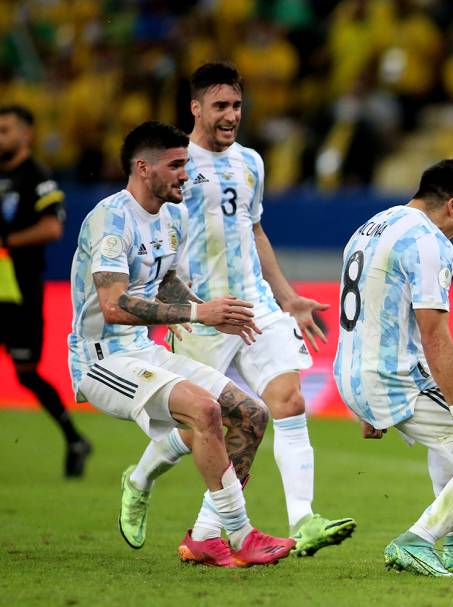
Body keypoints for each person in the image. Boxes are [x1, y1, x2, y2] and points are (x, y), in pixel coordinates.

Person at [120, 62, 355, 558]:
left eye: (237, 106)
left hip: (255, 304)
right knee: (199, 427)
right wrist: (184, 305)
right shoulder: (174, 165)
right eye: (221, 106)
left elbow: (255, 230)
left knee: (287, 402)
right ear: (196, 108)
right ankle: (140, 479)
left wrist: (287, 298)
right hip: (202, 313)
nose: (231, 116)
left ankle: (302, 520)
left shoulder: (251, 162)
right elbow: (156, 240)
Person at [69, 120, 294, 567]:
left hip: (143, 350)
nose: (186, 175)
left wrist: (212, 312)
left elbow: (164, 280)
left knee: (252, 414)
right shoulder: (110, 221)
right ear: (142, 168)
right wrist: (198, 314)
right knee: (205, 410)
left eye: (187, 164)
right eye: (175, 165)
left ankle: (204, 533)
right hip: (102, 360)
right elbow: (114, 305)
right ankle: (241, 534)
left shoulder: (174, 216)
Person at [333, 158, 453, 577]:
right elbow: (434, 333)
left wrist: (366, 403)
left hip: (355, 371)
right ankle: (417, 539)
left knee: (451, 442)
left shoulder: (372, 226)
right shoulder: (429, 242)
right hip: (395, 377)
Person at [0, 104, 92, 478]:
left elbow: (53, 229)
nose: (0, 137)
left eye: (6, 130)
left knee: (25, 372)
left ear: (27, 135)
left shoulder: (37, 177)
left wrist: (8, 240)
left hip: (21, 290)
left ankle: (74, 437)